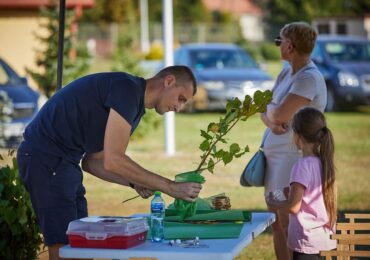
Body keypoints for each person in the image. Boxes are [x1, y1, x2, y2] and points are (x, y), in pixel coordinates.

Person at [16, 65, 203, 260]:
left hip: (66, 162)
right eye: (181, 98)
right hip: (46, 158)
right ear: (169, 81)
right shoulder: (127, 89)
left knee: (80, 243)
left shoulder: (135, 105)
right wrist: (170, 187)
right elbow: (114, 160)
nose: (179, 108)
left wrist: (135, 182)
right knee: (64, 248)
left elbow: (94, 162)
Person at [260, 22, 327, 259]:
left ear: (289, 46)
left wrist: (273, 115)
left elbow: (276, 113)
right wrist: (273, 119)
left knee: (290, 224)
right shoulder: (286, 72)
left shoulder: (308, 78)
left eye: (279, 41)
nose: (278, 46)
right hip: (275, 158)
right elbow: (265, 110)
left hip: (291, 159)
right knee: (277, 224)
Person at [266, 107, 337, 260]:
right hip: (323, 239)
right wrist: (291, 194)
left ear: (297, 136)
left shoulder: (301, 166)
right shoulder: (323, 162)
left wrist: (275, 203)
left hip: (306, 242)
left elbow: (293, 207)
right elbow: (309, 199)